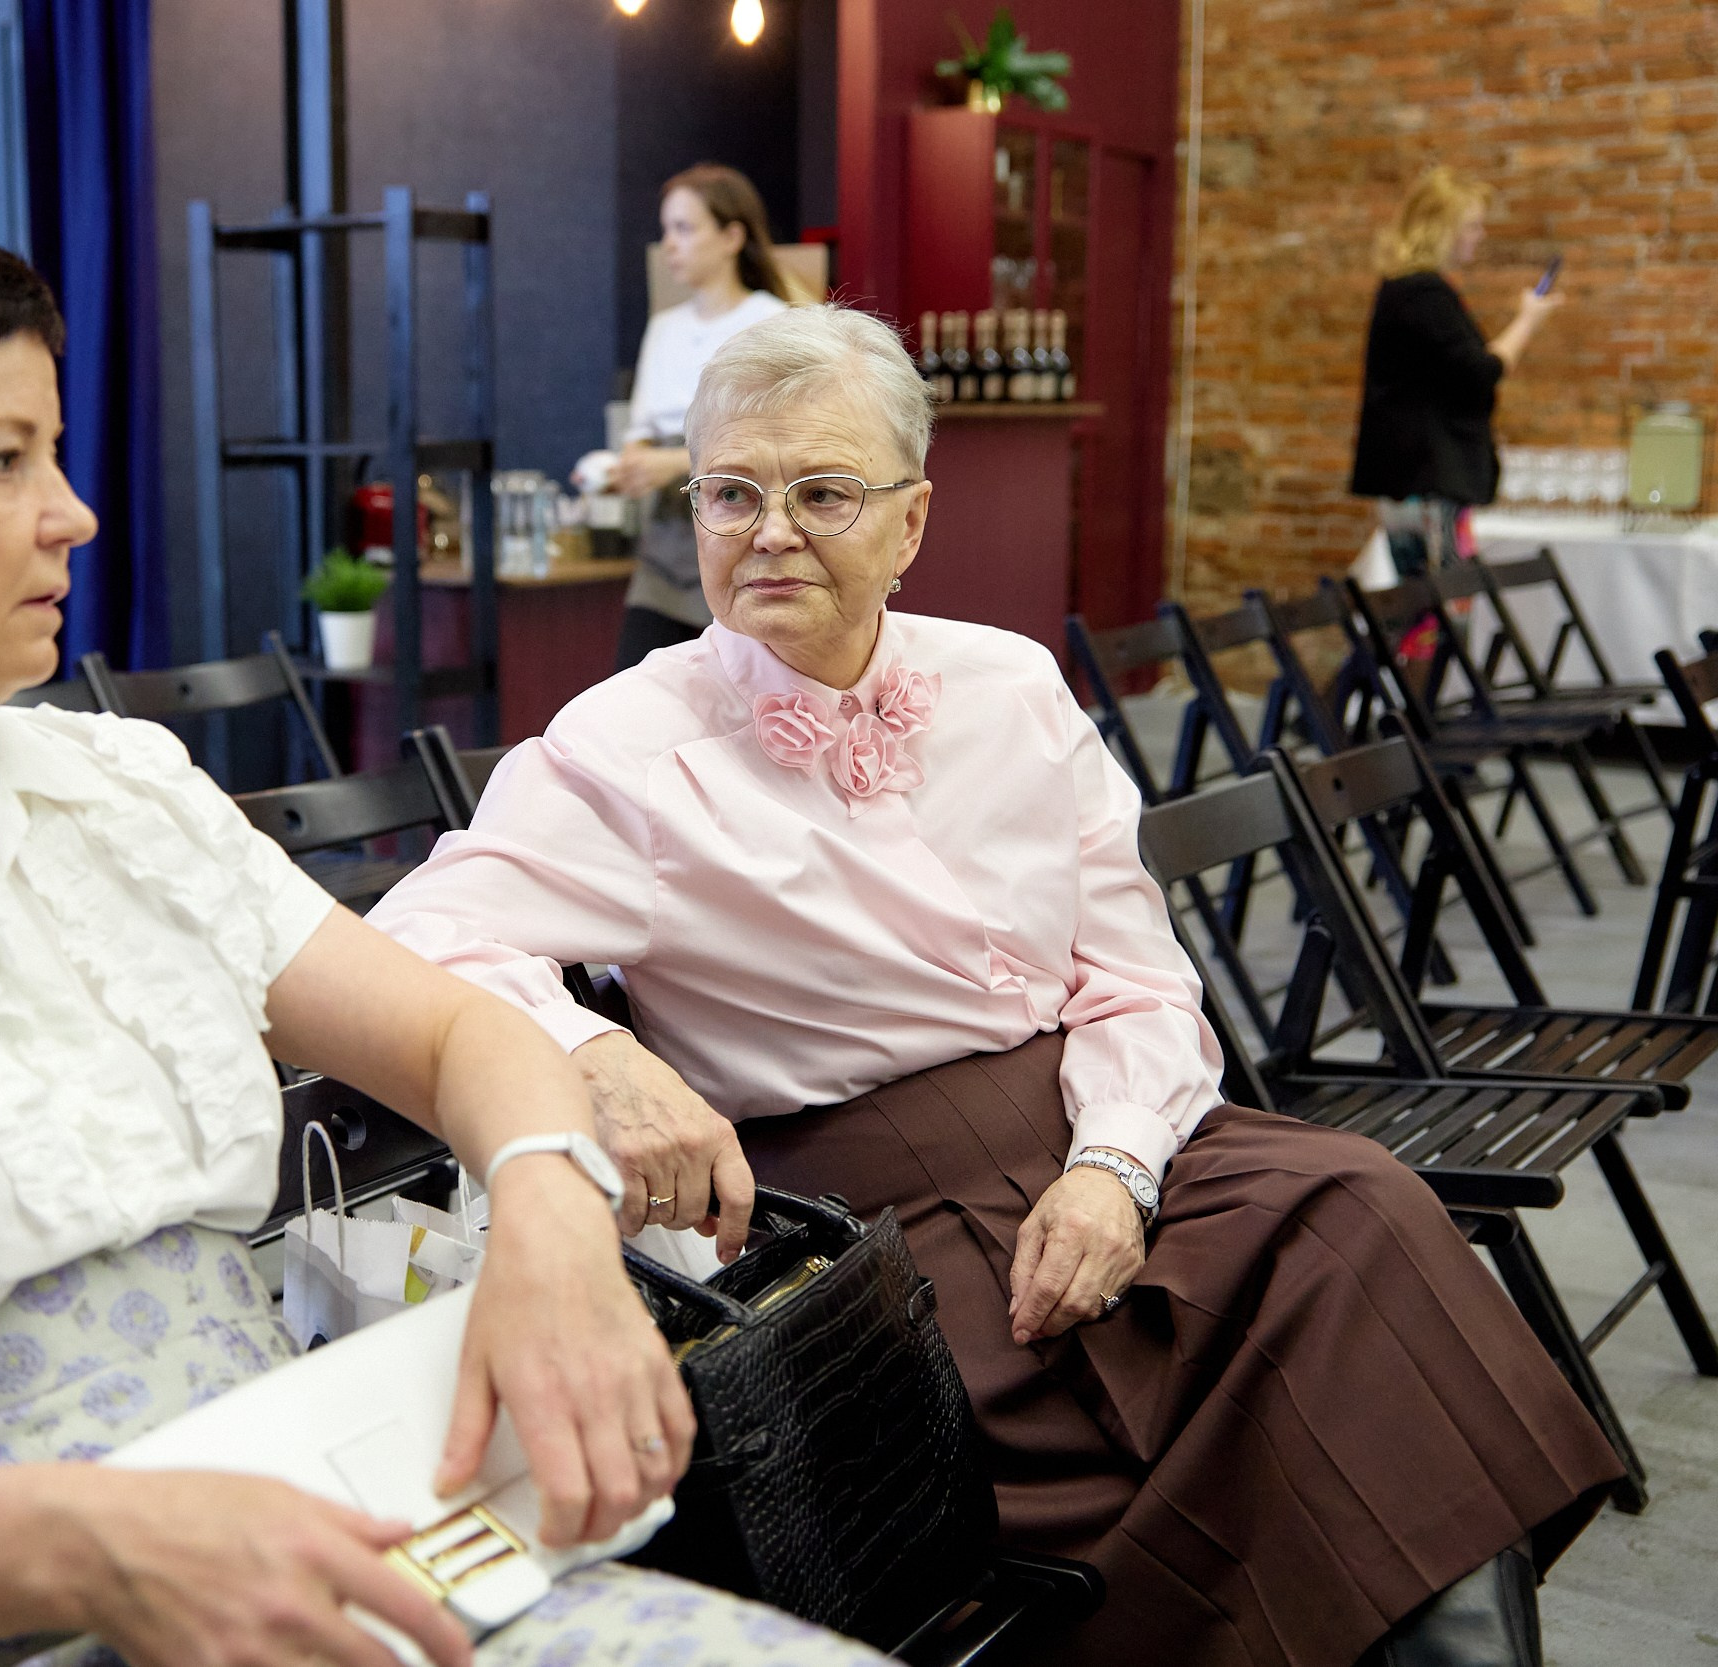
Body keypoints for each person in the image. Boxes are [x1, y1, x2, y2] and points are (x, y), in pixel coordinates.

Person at [0, 200, 891, 1667]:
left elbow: (459, 1029)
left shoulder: (117, 789)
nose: (74, 512)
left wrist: (555, 1223)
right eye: (2, 461)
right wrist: (104, 1540)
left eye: (53, 453)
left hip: (336, 1539)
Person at [370, 305, 1624, 1667]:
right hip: (868, 1229)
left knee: (1362, 1214)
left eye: (823, 491)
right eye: (732, 491)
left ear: (910, 523)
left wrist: (1118, 1165)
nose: (770, 528)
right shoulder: (626, 742)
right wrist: (583, 1049)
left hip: (1103, 1134)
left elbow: (1138, 974)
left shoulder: (1011, 684)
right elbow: (420, 933)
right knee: (1208, 1430)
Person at [595, 164, 790, 671]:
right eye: (665, 231)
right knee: (636, 691)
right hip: (665, 543)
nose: (670, 245)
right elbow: (638, 432)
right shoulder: (664, 327)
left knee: (738, 689)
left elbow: (777, 439)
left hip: (740, 532)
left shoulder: (771, 322)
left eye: (684, 228)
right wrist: (631, 465)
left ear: (731, 236)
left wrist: (675, 463)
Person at [1350, 165, 1561, 576]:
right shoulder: (1423, 292)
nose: (1479, 237)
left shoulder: (1407, 290)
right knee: (1439, 607)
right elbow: (1479, 371)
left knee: (1423, 608)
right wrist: (1527, 321)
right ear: (1441, 228)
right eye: (1472, 226)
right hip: (1427, 480)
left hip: (1414, 478)